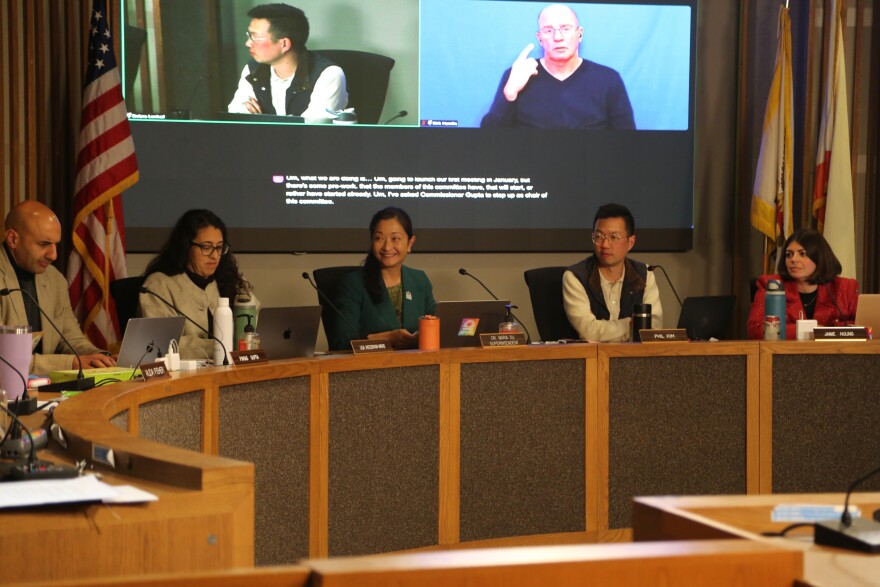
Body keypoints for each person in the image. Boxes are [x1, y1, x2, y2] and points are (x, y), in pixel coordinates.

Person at [0, 201, 115, 375]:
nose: (53, 255)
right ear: (13, 239)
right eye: (44, 244)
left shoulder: (54, 279)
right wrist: (71, 363)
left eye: (56, 244)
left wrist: (100, 357)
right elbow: (6, 359)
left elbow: (71, 339)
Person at [481, 3, 634, 129]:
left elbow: (628, 143)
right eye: (548, 30)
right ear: (540, 39)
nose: (558, 37)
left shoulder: (608, 79)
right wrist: (510, 92)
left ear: (579, 34)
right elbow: (487, 141)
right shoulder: (517, 75)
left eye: (565, 28)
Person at [139, 209, 258, 360]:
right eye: (206, 247)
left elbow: (255, 328)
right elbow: (162, 342)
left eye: (219, 247)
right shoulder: (158, 285)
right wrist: (221, 347)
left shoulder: (233, 281)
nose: (214, 255)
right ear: (186, 246)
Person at [329, 207, 436, 351]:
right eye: (379, 238)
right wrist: (389, 338)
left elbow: (437, 328)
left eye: (395, 238)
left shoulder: (419, 280)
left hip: (418, 366)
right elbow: (341, 342)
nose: (387, 246)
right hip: (372, 369)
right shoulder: (353, 284)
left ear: (410, 243)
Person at [227, 3, 348, 119]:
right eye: (249, 35)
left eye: (255, 37)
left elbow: (311, 130)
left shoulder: (329, 75)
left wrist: (261, 121)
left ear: (284, 44)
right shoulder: (253, 69)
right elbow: (238, 114)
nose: (248, 43)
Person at [563, 203, 661, 341]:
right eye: (598, 236)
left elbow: (654, 326)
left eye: (614, 237)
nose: (604, 244)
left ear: (631, 242)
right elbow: (589, 332)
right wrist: (633, 324)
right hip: (591, 359)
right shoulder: (575, 277)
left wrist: (605, 331)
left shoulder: (645, 275)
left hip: (635, 359)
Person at [747, 228, 858, 339]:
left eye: (802, 254)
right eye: (789, 254)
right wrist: (809, 330)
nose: (793, 259)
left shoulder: (845, 288)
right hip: (785, 354)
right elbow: (755, 329)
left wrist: (825, 331)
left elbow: (862, 327)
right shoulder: (772, 285)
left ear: (819, 257)